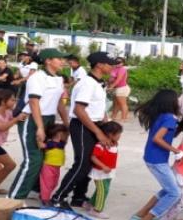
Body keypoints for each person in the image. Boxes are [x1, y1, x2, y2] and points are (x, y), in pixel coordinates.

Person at [51, 52, 117, 208]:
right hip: (82, 126)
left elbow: (99, 108)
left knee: (91, 162)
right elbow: (79, 110)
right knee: (82, 164)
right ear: (99, 65)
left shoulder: (99, 83)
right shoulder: (87, 83)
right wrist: (98, 132)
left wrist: (106, 127)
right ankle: (58, 197)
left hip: (95, 125)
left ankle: (78, 198)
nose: (111, 66)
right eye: (109, 63)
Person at [9, 48, 70, 200]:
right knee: (33, 159)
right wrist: (40, 128)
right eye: (59, 58)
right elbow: (34, 102)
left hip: (48, 118)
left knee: (44, 156)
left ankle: (34, 189)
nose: (62, 61)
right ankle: (14, 198)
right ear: (48, 61)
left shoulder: (58, 78)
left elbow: (59, 103)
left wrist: (66, 123)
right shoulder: (37, 78)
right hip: (31, 119)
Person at [131, 89, 181, 220]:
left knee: (168, 188)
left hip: (152, 156)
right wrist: (175, 150)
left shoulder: (160, 116)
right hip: (157, 159)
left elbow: (168, 134)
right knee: (174, 193)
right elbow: (158, 138)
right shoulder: (169, 118)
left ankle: (139, 215)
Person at [86, 121, 123, 219]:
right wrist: (103, 166)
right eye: (119, 134)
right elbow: (93, 157)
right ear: (111, 134)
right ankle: (96, 210)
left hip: (109, 172)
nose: (120, 136)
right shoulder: (100, 145)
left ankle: (90, 204)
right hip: (100, 172)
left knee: (101, 189)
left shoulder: (114, 143)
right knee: (103, 191)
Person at [39, 124, 69, 205]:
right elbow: (41, 145)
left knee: (54, 183)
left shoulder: (62, 143)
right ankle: (45, 199)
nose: (66, 136)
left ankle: (44, 195)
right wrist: (39, 138)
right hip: (48, 166)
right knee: (47, 183)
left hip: (57, 167)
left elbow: (66, 137)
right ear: (59, 134)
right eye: (64, 134)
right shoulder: (50, 143)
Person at [109, 57, 131, 122]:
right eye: (116, 62)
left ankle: (124, 118)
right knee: (116, 104)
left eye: (119, 62)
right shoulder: (114, 68)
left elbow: (119, 79)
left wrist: (112, 86)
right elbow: (111, 78)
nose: (118, 63)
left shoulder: (122, 69)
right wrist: (109, 84)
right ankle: (113, 117)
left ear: (123, 63)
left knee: (123, 104)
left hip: (122, 88)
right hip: (117, 88)